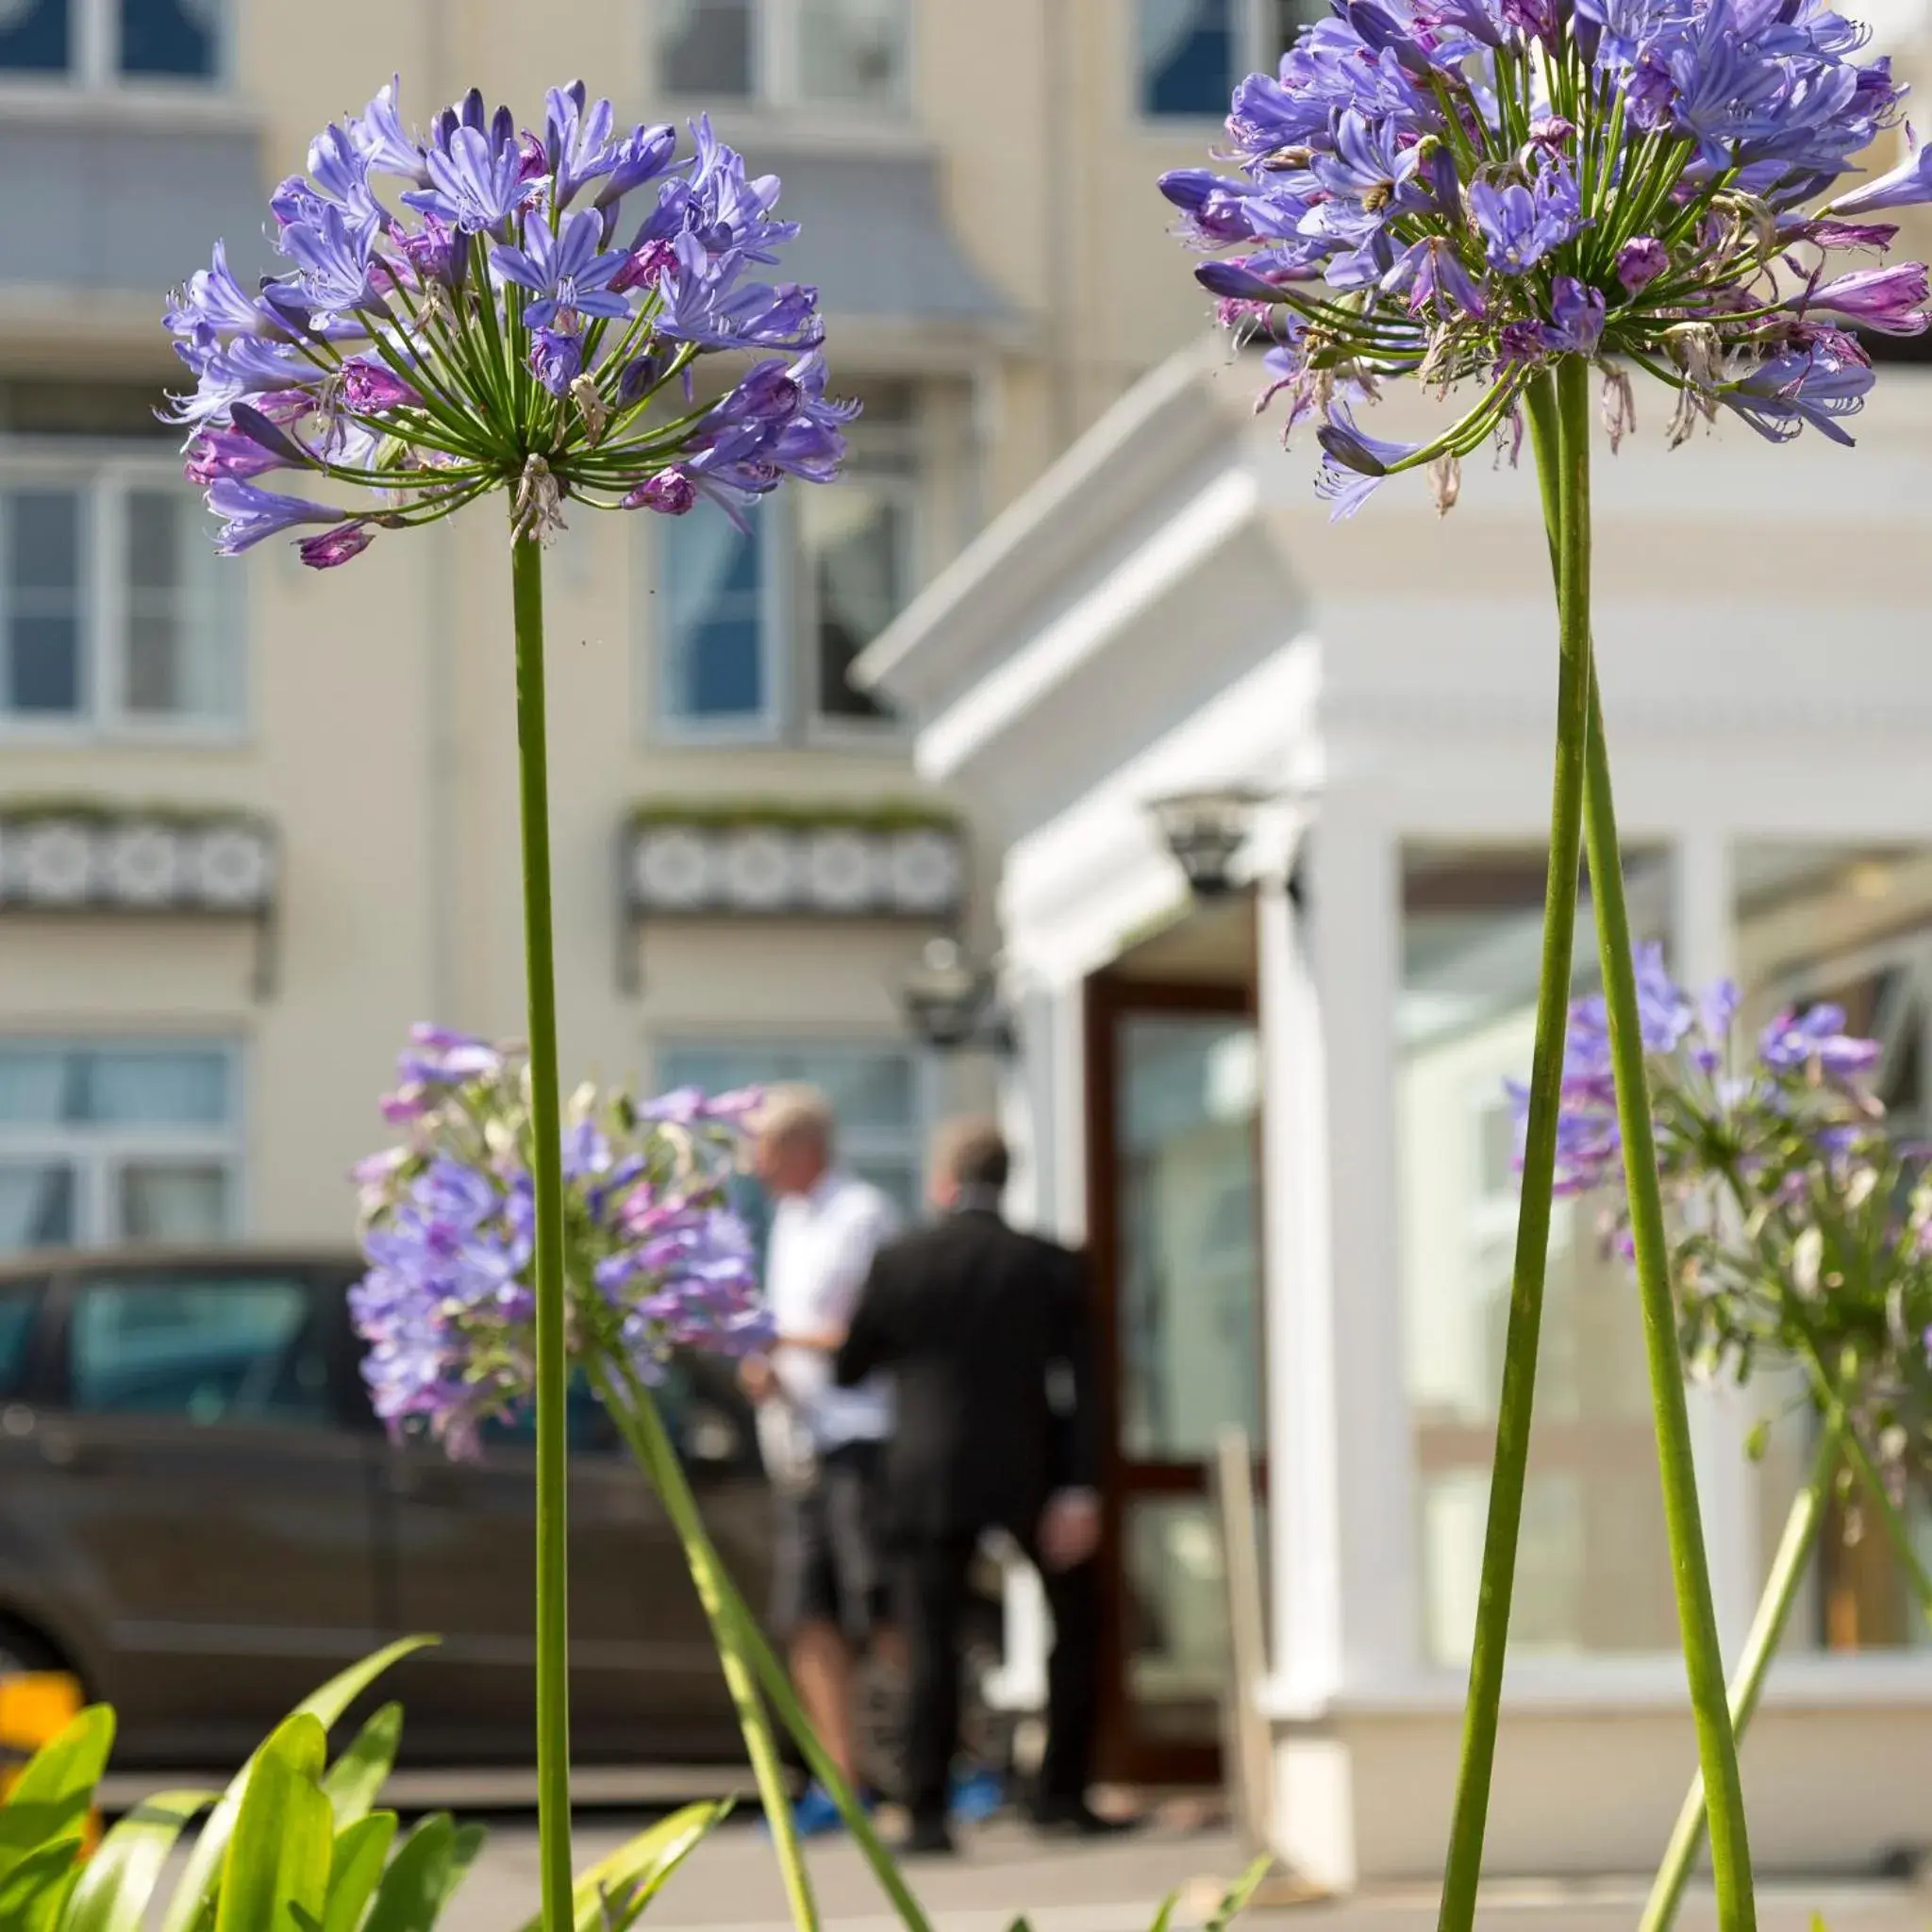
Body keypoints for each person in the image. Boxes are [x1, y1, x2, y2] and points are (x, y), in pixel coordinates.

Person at [835, 1117, 1126, 1856]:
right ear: (1006, 1180)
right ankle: (1062, 1793)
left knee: (932, 1646)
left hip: (927, 1475)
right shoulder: (1050, 1264)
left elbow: (851, 1365)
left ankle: (928, 1813)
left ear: (942, 1183)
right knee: (1078, 1626)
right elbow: (1088, 1387)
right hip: (1032, 1472)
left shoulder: (902, 1261)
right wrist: (1080, 1490)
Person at [739, 1086, 900, 1837]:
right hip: (799, 1444)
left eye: (763, 1147)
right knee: (808, 1616)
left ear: (804, 1146)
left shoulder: (862, 1214)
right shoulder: (788, 1220)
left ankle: (928, 1765)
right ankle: (840, 1780)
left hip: (861, 1440)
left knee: (881, 1610)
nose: (754, 1164)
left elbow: (868, 1335)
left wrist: (784, 1346)